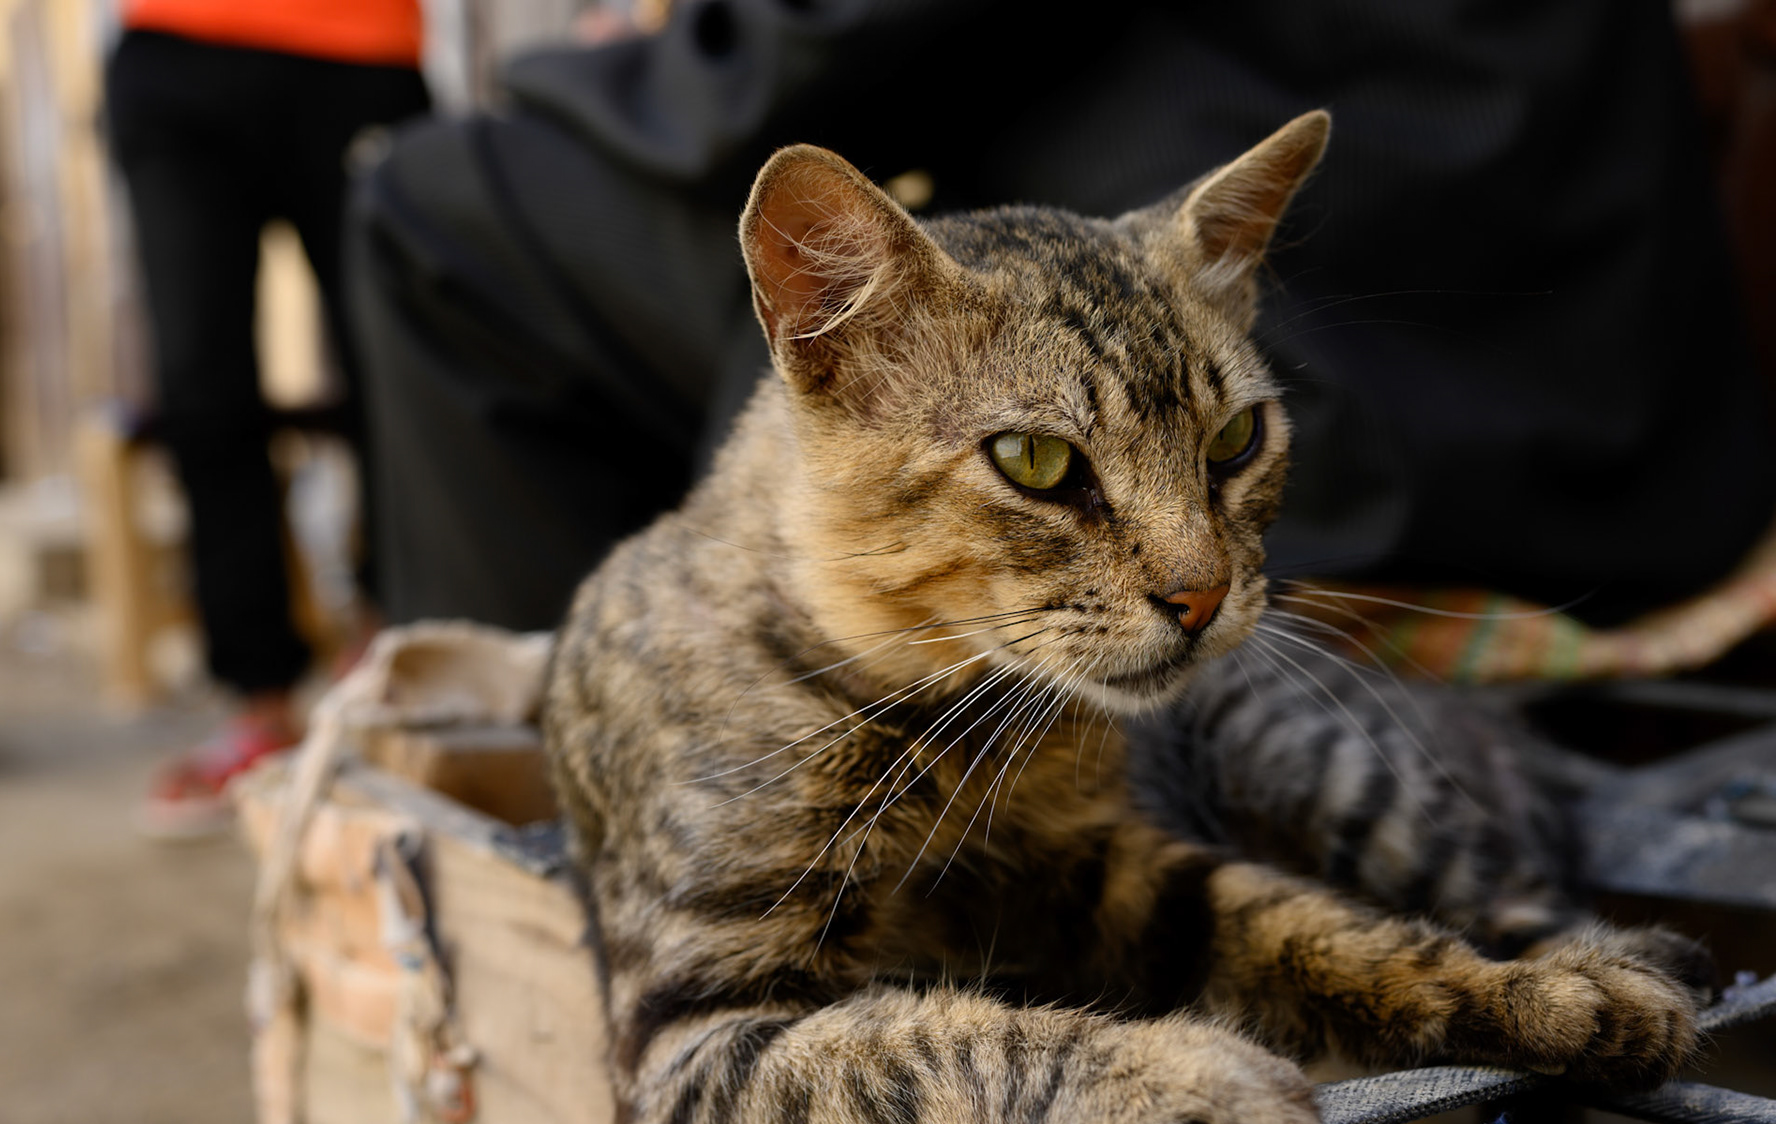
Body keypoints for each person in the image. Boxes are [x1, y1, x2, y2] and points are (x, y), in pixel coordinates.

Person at [347, 0, 1774, 639]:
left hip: (1341, 428)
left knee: (441, 201)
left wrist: (615, 71)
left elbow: (809, 48)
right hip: (1632, 413)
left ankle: (539, 848)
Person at [106, 0, 430, 836]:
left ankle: (397, 661)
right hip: (177, 48)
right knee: (203, 390)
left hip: (361, 45)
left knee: (405, 366)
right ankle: (259, 704)